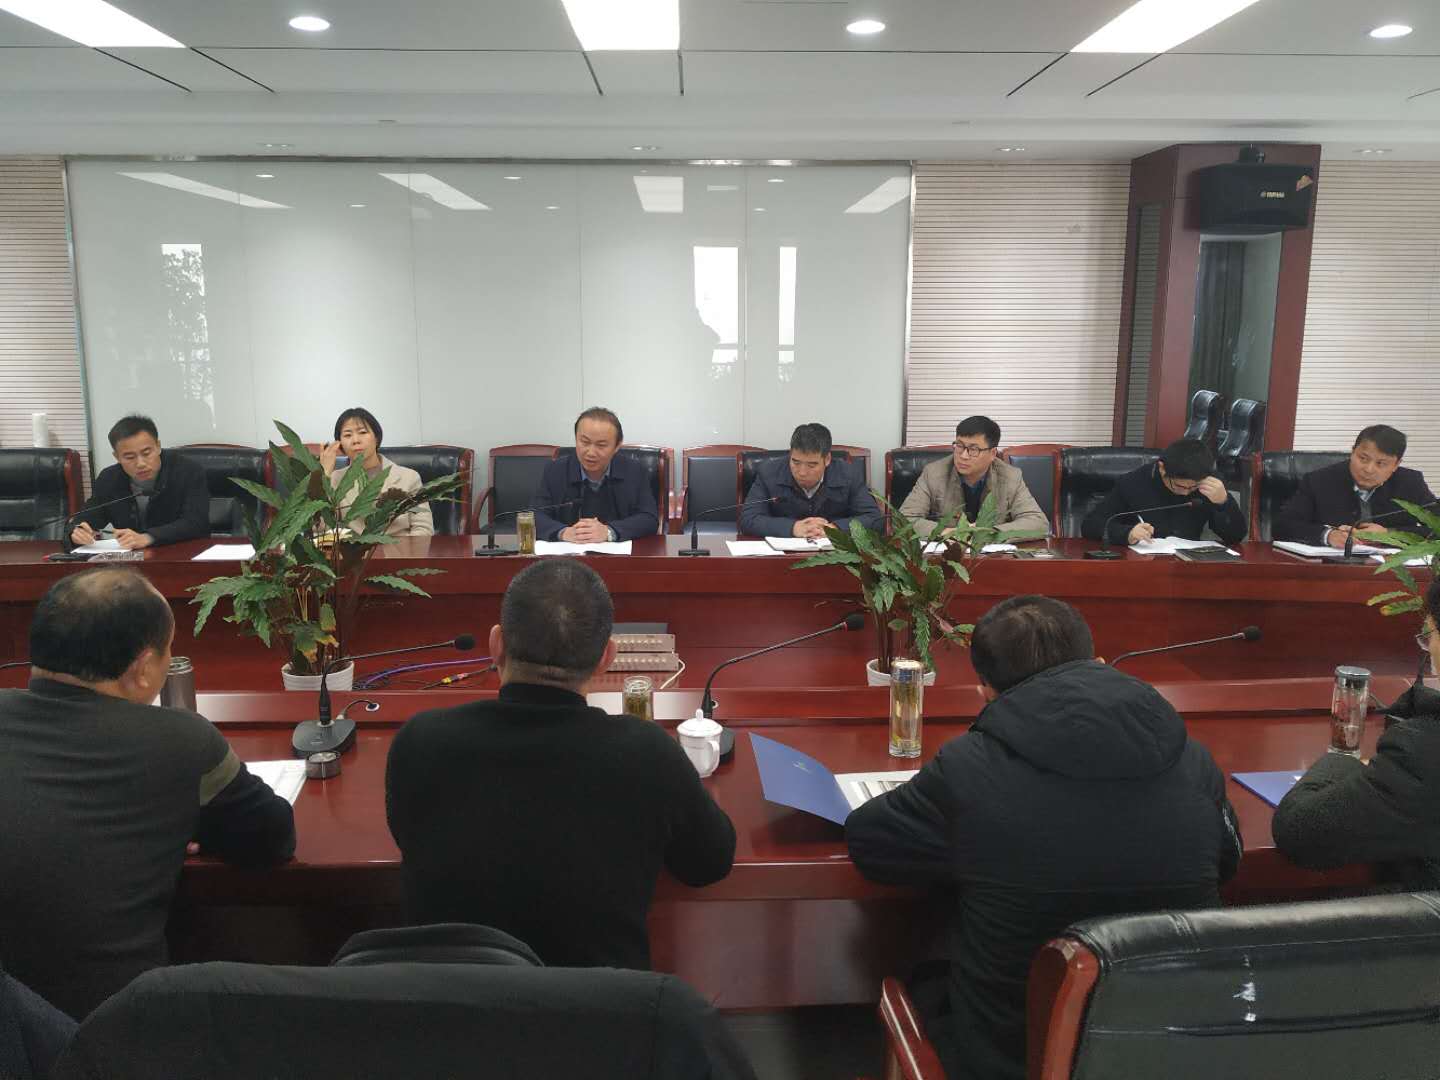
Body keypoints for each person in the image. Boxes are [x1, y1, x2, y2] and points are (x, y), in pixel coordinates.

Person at [846, 594, 1241, 1080]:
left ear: (985, 691)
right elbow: (1227, 860)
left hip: (1012, 1058)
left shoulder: (969, 769)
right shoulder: (1193, 758)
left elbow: (871, 845)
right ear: (1098, 663)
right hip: (1175, 1051)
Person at [385, 559, 735, 969]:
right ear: (607, 657)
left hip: (452, 1003)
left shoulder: (420, 741)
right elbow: (709, 863)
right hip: (597, 1007)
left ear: (496, 644)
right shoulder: (648, 753)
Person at [0, 569, 295, 1019]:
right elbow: (272, 837)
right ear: (142, 670)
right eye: (169, 649)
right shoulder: (181, 741)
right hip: (108, 1030)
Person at [1272, 579, 1440, 887]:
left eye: (1429, 635)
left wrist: (1343, 758)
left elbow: (1299, 831)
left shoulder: (1423, 754)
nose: (1428, 649)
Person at [1273, 425, 1435, 548]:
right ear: (1353, 452)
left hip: (1393, 571)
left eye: (1380, 463)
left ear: (1396, 465)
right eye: (1363, 458)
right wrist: (1328, 535)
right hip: (1332, 568)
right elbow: (1282, 525)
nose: (1368, 469)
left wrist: (1389, 534)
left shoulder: (1411, 483)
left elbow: (1437, 528)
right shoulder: (1319, 480)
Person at [67, 415, 209, 551]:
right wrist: (76, 532)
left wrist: (148, 537)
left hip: (183, 555)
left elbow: (196, 522)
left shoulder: (188, 471)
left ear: (158, 446)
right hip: (131, 559)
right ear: (117, 457)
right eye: (130, 457)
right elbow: (86, 518)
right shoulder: (109, 479)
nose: (140, 463)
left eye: (146, 453)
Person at [898, 416, 1050, 538]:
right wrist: (947, 532)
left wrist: (987, 533)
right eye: (959, 446)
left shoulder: (1010, 477)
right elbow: (903, 520)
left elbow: (1038, 523)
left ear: (992, 453)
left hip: (992, 559)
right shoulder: (933, 473)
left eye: (973, 449)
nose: (963, 456)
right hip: (947, 556)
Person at [1081, 437, 1247, 546]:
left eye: (1193, 487)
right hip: (1143, 565)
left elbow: (1235, 537)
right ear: (1162, 468)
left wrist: (1224, 503)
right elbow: (1091, 525)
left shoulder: (1210, 483)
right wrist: (1127, 533)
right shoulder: (1134, 482)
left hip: (1190, 565)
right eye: (1180, 486)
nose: (1186, 493)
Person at [530, 407, 659, 542]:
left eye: (601, 445)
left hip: (617, 552)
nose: (591, 453)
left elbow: (649, 518)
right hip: (568, 551)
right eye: (584, 442)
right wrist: (563, 532)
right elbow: (534, 516)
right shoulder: (555, 470)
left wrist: (609, 531)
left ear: (617, 446)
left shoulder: (634, 471)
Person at [739, 423, 882, 538]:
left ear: (827, 459)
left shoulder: (848, 474)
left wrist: (835, 529)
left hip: (834, 555)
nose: (802, 472)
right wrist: (793, 528)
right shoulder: (769, 472)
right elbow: (748, 519)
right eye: (795, 462)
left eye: (811, 465)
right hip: (783, 554)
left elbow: (874, 519)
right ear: (790, 454)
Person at [319, 407, 433, 537]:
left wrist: (396, 549)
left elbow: (423, 530)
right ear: (340, 444)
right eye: (347, 435)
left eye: (362, 432)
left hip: (399, 547)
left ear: (376, 438)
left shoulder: (408, 477)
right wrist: (325, 474)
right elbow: (321, 529)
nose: (356, 440)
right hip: (353, 548)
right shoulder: (335, 478)